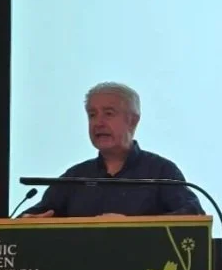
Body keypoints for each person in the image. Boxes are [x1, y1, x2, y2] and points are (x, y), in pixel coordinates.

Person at [23, 82, 204, 218]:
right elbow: (35, 216)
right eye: (92, 115)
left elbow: (193, 214)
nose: (98, 123)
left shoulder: (160, 171)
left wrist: (131, 226)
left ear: (132, 120)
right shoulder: (75, 177)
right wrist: (29, 221)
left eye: (108, 113)